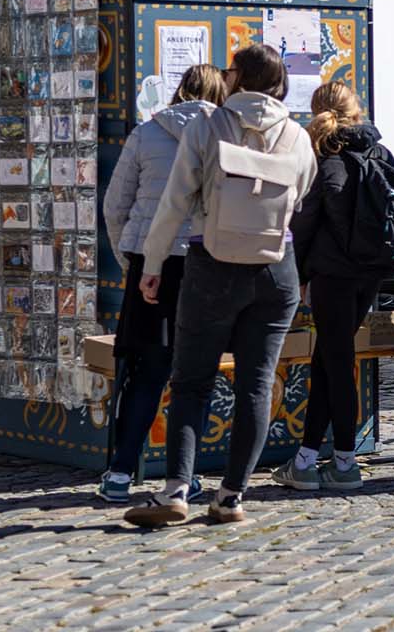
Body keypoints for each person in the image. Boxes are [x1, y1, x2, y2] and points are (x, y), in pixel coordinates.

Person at [124, 45, 316, 528]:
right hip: (276, 265)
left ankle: (175, 491)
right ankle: (231, 497)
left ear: (238, 78)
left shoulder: (205, 127)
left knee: (191, 381)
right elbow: (302, 195)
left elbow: (174, 201)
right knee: (255, 383)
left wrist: (152, 263)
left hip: (212, 261)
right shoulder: (297, 134)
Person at [272, 82, 394, 493]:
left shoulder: (324, 156)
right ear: (357, 110)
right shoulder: (378, 150)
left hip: (333, 272)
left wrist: (298, 274)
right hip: (371, 272)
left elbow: (307, 220)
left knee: (336, 363)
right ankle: (305, 459)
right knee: (328, 360)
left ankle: (346, 462)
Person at [96, 64, 227, 504]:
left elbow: (116, 206)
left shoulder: (146, 133)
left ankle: (119, 471)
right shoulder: (225, 136)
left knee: (146, 370)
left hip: (149, 262)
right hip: (204, 261)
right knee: (195, 375)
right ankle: (183, 475)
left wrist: (130, 257)